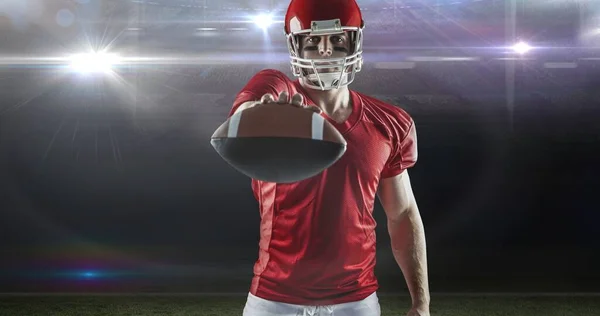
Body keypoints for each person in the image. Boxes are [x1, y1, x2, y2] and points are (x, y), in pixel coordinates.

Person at [227, 0, 430, 315]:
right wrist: (259, 114)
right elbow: (243, 118)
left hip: (356, 300)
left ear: (354, 41)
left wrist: (421, 303)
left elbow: (402, 214)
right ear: (295, 46)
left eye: (336, 40)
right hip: (274, 298)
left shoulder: (390, 122)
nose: (325, 51)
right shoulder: (275, 90)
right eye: (313, 41)